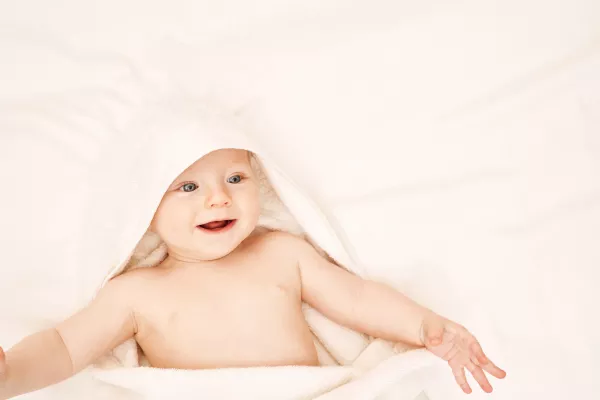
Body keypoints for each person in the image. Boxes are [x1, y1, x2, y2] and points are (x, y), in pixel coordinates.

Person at [0, 148, 506, 399]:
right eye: (187, 187)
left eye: (235, 179)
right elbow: (66, 347)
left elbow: (357, 300)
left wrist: (426, 327)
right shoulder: (135, 293)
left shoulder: (281, 253)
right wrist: (10, 374)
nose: (218, 197)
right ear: (143, 208)